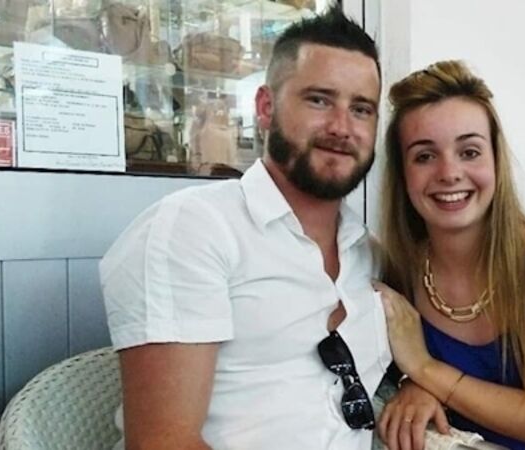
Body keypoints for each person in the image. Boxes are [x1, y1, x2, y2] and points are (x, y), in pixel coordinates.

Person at [100, 9, 391, 449]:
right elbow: (163, 442)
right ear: (265, 107)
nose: (341, 127)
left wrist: (418, 387)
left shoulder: (367, 252)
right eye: (319, 100)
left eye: (361, 109)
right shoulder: (194, 230)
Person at [373, 60, 525, 450]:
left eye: (469, 151)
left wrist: (425, 369)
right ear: (402, 175)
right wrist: (410, 382)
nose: (449, 173)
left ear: (496, 161)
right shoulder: (398, 268)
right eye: (424, 156)